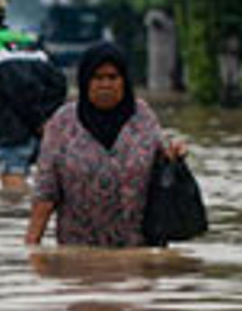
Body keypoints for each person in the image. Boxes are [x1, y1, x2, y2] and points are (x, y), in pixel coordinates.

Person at [25, 42, 186, 247]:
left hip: (138, 251)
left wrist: (173, 155)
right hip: (79, 253)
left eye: (113, 77)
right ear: (85, 81)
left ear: (124, 81)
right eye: (97, 78)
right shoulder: (63, 123)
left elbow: (160, 162)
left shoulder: (143, 117)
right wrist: (32, 246)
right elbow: (45, 191)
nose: (105, 85)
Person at [0, 0, 67, 193]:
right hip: (41, 135)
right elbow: (58, 83)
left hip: (12, 134)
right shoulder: (28, 41)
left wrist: (38, 121)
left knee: (13, 198)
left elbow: (14, 88)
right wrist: (47, 120)